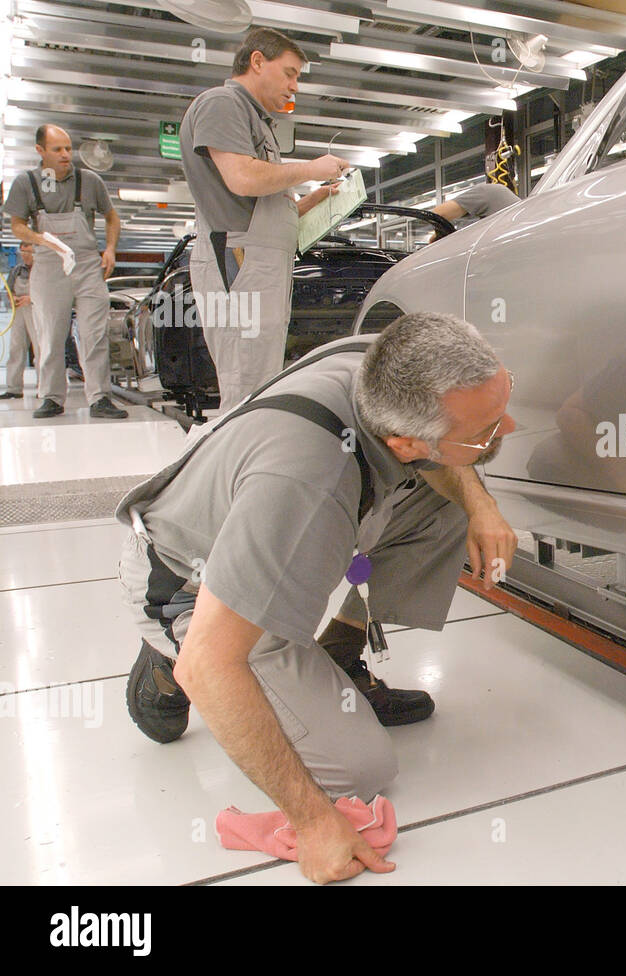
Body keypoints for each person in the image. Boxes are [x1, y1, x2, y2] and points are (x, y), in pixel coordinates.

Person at [116, 312, 517, 884]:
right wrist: (313, 823)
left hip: (264, 521)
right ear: (405, 442)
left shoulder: (386, 360)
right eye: (484, 432)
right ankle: (163, 651)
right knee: (360, 771)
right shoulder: (306, 488)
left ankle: (337, 658)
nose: (511, 428)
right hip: (185, 584)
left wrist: (481, 505)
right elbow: (211, 666)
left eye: (504, 402)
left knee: (446, 500)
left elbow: (441, 460)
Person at [180, 26, 347, 412]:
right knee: (245, 386)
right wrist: (310, 169)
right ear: (257, 61)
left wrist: (312, 202)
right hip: (240, 261)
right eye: (290, 73)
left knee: (258, 379)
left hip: (257, 263)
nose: (295, 86)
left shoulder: (257, 119)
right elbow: (243, 179)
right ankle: (230, 469)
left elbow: (260, 202)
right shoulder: (222, 103)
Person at [2, 125, 128, 419]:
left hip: (86, 265)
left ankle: (100, 398)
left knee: (94, 333)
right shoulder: (26, 183)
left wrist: (109, 249)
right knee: (49, 334)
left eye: (68, 148)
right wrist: (39, 239)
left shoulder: (89, 180)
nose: (65, 155)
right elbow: (17, 225)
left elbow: (111, 217)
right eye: (57, 149)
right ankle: (51, 397)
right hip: (48, 264)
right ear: (40, 151)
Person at [2, 242, 36, 399]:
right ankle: (13, 388)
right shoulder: (17, 270)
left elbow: (50, 293)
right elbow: (7, 291)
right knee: (16, 348)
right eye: (22, 252)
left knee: (41, 350)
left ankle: (46, 389)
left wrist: (32, 298)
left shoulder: (43, 270)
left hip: (36, 310)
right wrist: (12, 298)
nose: (24, 255)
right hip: (19, 311)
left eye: (28, 252)